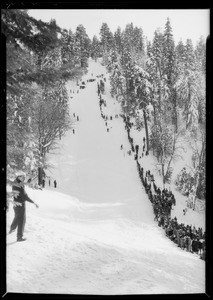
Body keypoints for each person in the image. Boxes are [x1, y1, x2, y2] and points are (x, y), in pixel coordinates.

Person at [9, 171, 39, 242]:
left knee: (17, 217)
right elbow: (25, 196)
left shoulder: (16, 182)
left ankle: (12, 228)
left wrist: (29, 180)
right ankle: (19, 237)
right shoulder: (19, 185)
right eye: (22, 176)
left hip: (16, 204)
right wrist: (33, 202)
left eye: (24, 177)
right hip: (20, 205)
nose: (24, 178)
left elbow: (24, 184)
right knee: (22, 220)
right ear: (18, 176)